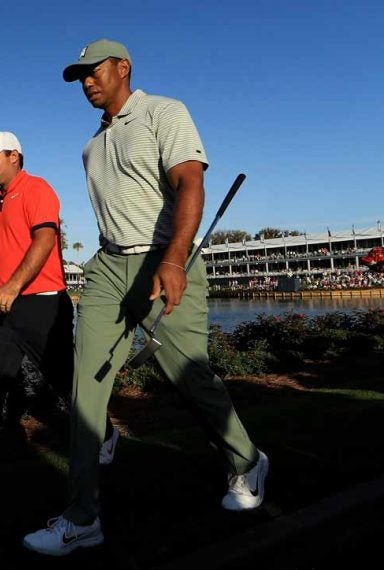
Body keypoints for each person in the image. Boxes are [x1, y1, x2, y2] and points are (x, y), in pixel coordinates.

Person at [22, 39, 268, 556]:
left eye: (94, 71)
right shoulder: (91, 145)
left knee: (188, 376)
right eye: (79, 76)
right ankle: (81, 517)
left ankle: (246, 461)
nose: (87, 81)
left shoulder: (164, 112)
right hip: (108, 268)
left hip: (164, 260)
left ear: (123, 67)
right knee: (85, 387)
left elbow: (190, 185)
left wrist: (175, 259)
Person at [0, 132, 116, 490]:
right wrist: (4, 290)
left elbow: (45, 240)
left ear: (15, 155)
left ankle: (105, 435)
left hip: (42, 302)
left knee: (66, 380)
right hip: (4, 306)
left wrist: (13, 286)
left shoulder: (38, 189)